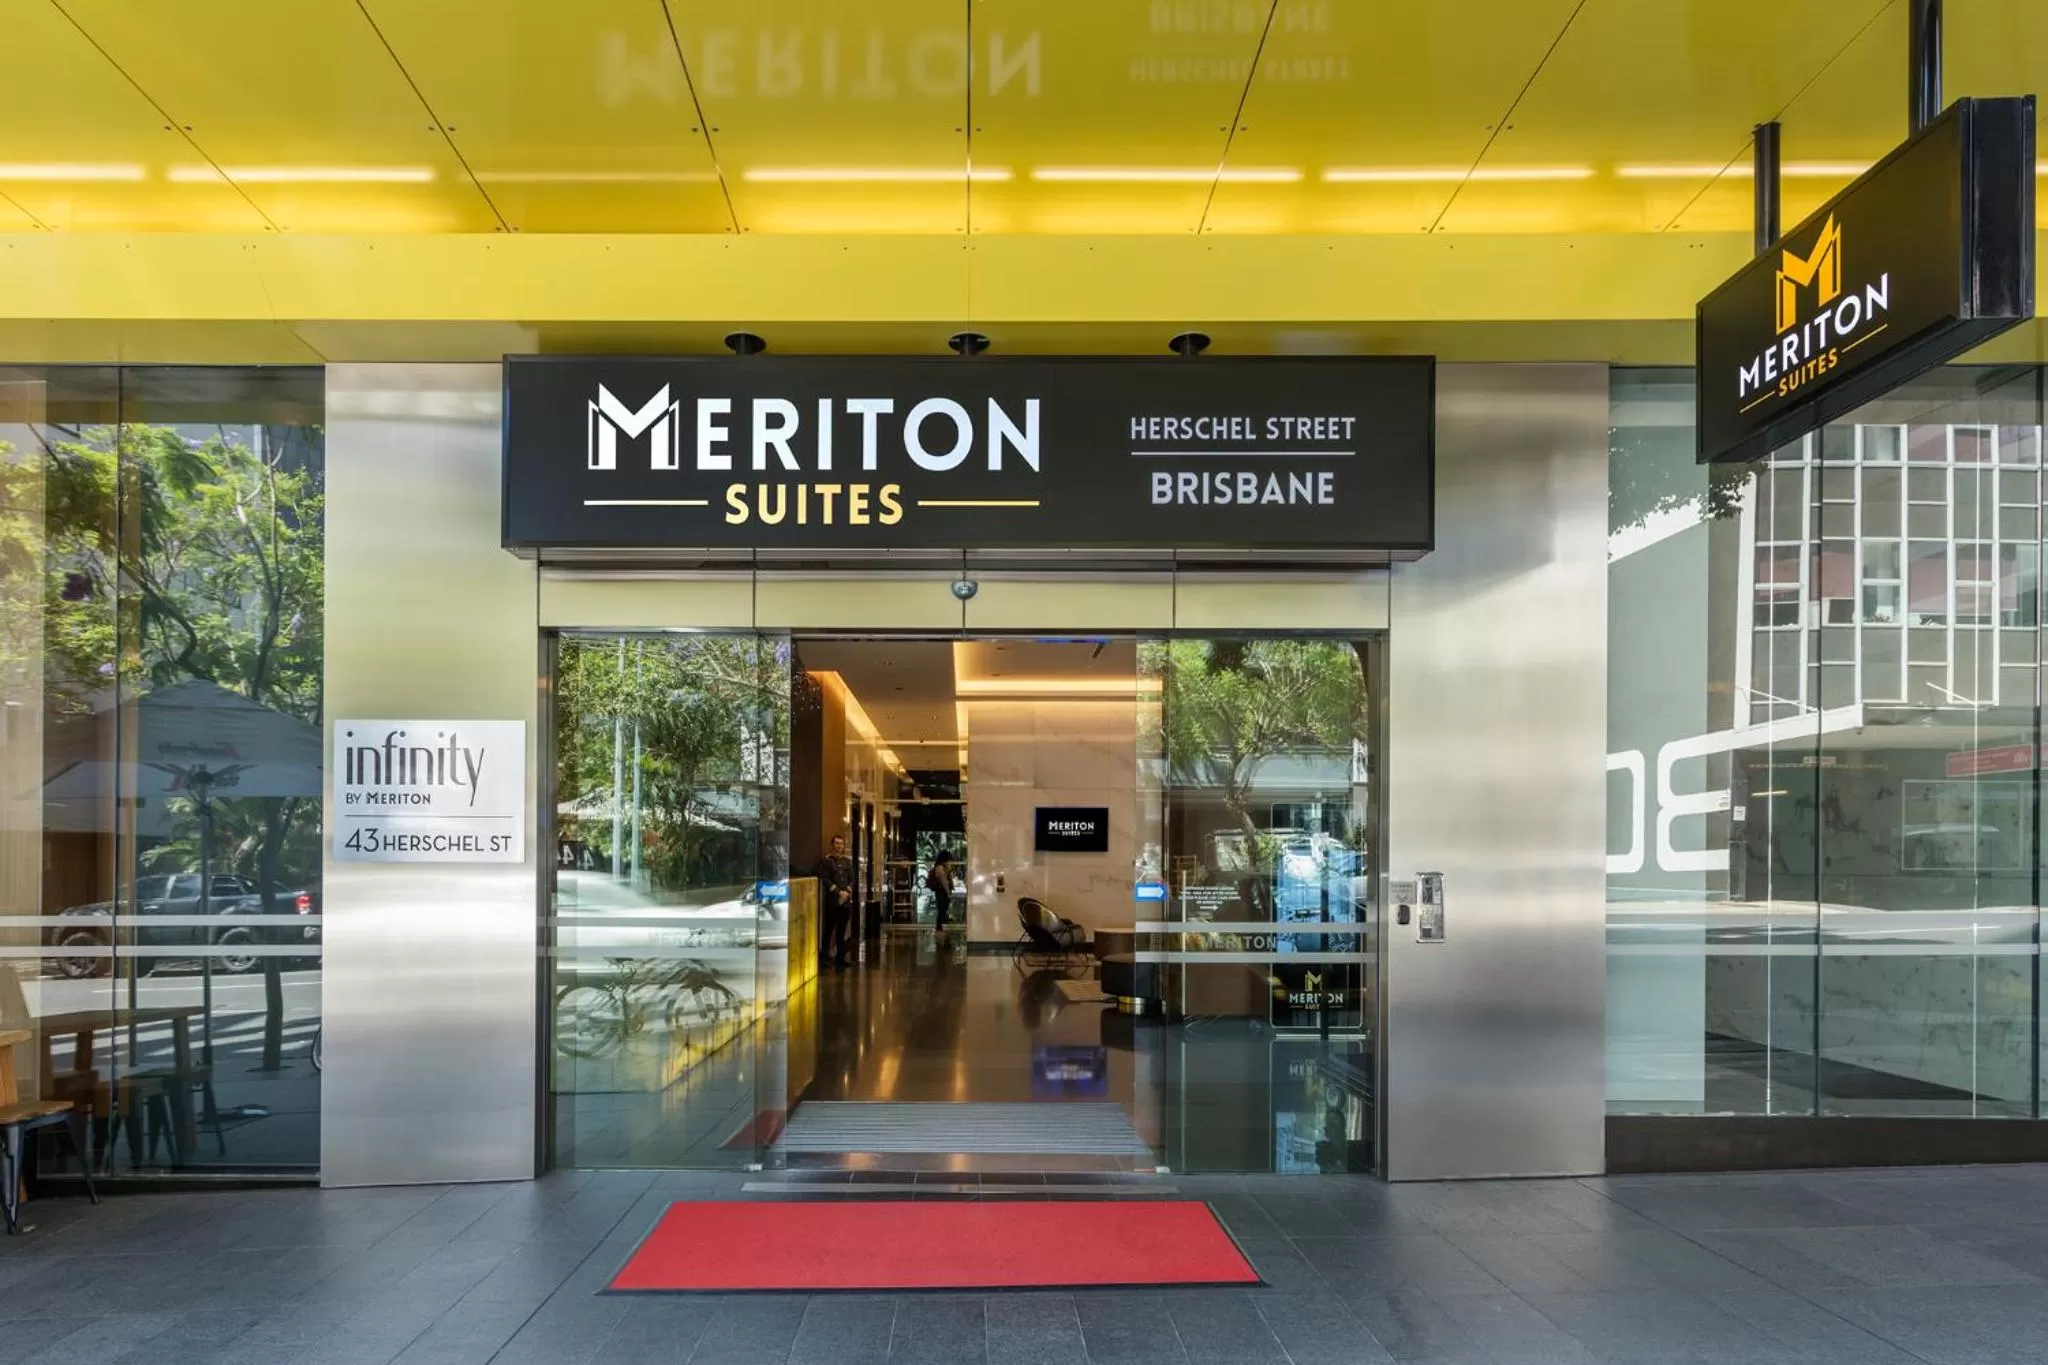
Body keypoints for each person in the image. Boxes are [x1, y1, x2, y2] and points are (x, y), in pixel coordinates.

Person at [816, 834, 856, 968]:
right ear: (832, 845)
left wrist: (848, 891)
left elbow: (852, 879)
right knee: (829, 929)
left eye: (841, 844)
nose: (839, 846)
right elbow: (825, 879)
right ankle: (824, 958)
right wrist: (839, 892)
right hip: (833, 900)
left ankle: (840, 958)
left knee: (841, 930)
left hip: (845, 901)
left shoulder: (847, 861)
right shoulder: (827, 861)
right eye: (837, 843)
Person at [925, 849, 956, 934]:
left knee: (943, 908)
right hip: (941, 890)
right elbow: (944, 881)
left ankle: (940, 927)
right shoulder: (940, 868)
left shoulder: (942, 866)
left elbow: (948, 878)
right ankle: (939, 928)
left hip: (941, 890)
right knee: (942, 908)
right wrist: (948, 893)